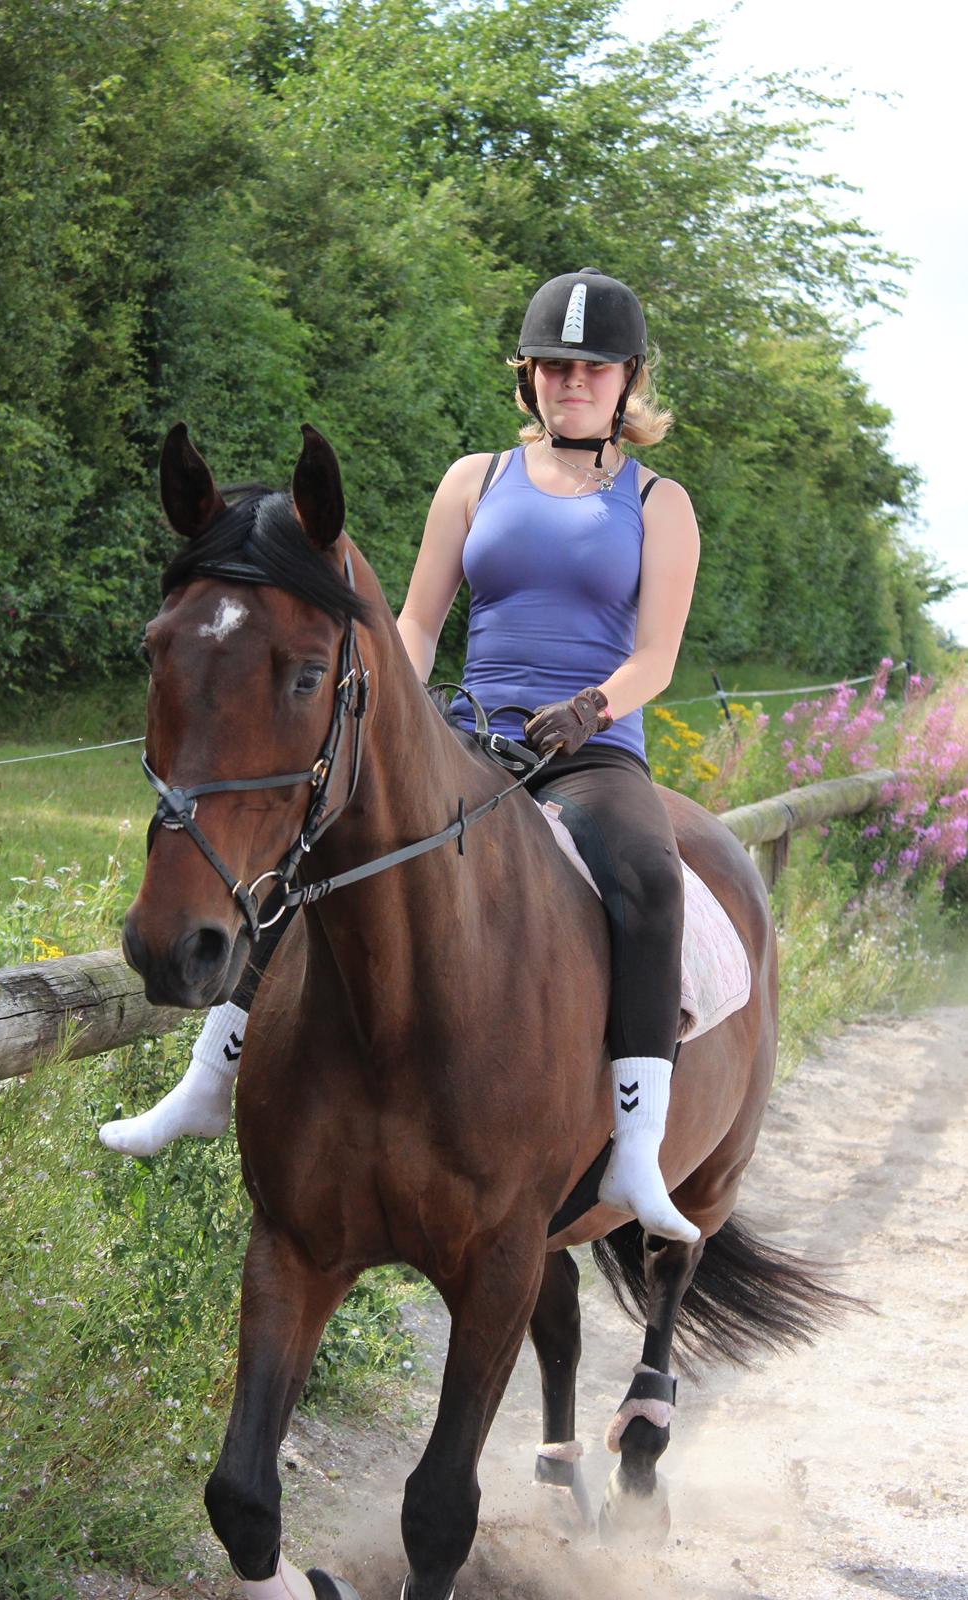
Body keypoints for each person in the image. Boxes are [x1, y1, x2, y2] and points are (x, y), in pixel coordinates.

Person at [100, 267, 701, 1246]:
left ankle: (635, 1147)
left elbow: (657, 656)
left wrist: (589, 708)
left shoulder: (658, 502)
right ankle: (210, 1076)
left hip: (590, 749)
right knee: (320, 839)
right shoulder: (475, 480)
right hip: (468, 728)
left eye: (591, 369)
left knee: (645, 874)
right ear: (529, 377)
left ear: (625, 380)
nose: (570, 383)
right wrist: (402, 716)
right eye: (552, 365)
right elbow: (415, 625)